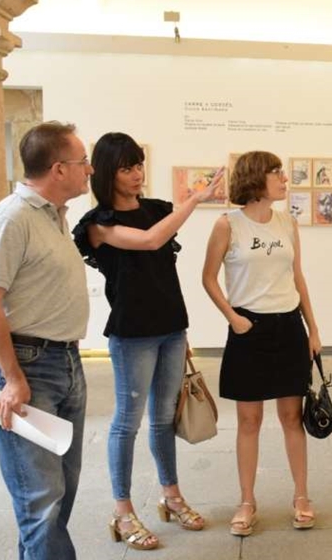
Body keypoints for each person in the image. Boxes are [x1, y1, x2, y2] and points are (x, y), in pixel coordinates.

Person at [72, 132, 222, 551]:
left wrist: (184, 336)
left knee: (162, 419)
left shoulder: (156, 210)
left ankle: (171, 496)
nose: (137, 174)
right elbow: (149, 241)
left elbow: (160, 260)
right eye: (126, 167)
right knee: (126, 422)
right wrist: (196, 199)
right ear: (106, 173)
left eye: (139, 165)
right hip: (131, 334)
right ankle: (122, 512)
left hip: (172, 327)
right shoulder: (98, 225)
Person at [0, 121, 92, 560]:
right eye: (83, 162)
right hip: (30, 367)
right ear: (59, 169)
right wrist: (11, 377)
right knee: (41, 503)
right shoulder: (12, 217)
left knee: (59, 495)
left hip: (66, 363)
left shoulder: (55, 217)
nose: (90, 170)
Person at [201, 150, 323, 537]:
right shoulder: (227, 225)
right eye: (277, 174)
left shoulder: (288, 223)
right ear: (257, 179)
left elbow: (298, 278)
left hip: (289, 328)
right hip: (247, 330)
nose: (285, 180)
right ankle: (246, 501)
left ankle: (301, 496)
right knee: (249, 421)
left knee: (292, 417)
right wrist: (233, 319)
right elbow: (208, 278)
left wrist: (313, 329)